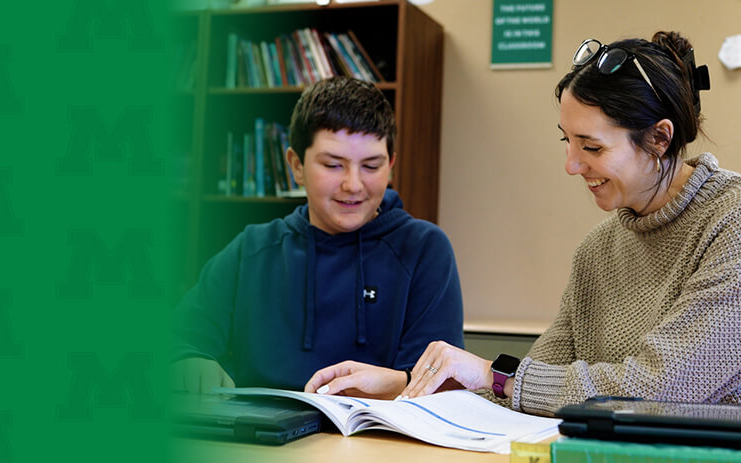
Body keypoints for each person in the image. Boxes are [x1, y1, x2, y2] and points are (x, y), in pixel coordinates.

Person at [305, 31, 741, 415]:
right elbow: (529, 389)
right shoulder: (598, 249)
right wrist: (402, 384)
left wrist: (496, 376)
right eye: (566, 141)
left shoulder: (730, 221)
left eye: (591, 146)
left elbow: (658, 388)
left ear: (659, 139)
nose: (571, 165)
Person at [172, 76, 464, 394]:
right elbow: (178, 338)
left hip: (379, 440)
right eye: (333, 165)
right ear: (296, 165)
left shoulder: (424, 250)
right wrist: (188, 359)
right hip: (263, 439)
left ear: (391, 165)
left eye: (371, 166)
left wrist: (398, 384)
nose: (353, 184)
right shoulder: (251, 251)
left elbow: (438, 386)